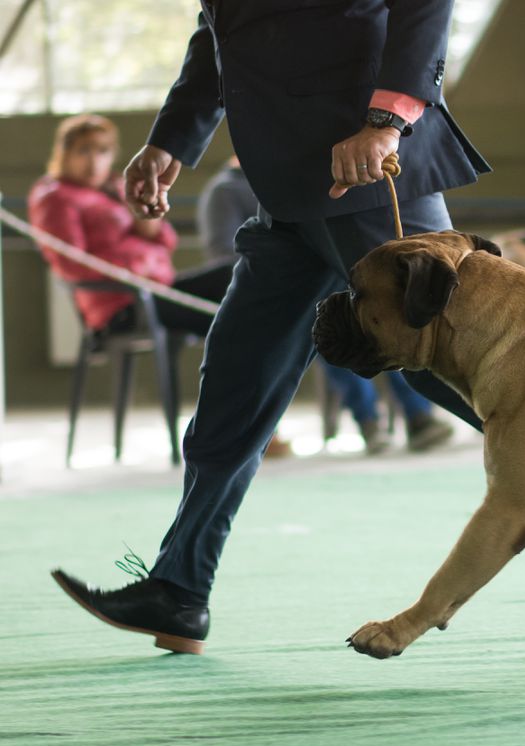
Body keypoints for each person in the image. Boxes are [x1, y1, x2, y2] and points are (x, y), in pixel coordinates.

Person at [51, 1, 490, 655]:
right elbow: (221, 33)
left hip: (366, 172)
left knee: (456, 367)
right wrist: (171, 139)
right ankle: (178, 589)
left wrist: (387, 118)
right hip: (285, 193)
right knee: (236, 380)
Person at [198, 156, 453, 455]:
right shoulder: (224, 191)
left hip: (338, 278)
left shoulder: (310, 175)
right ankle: (368, 421)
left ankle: (418, 415)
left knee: (383, 321)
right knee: (326, 333)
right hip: (283, 286)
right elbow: (223, 253)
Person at [29, 113, 232, 340]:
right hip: (120, 304)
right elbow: (71, 264)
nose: (94, 161)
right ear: (64, 153)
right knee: (228, 318)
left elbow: (166, 241)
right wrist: (140, 264)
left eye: (103, 151)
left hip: (158, 289)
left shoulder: (115, 187)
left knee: (233, 273)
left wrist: (147, 214)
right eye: (84, 151)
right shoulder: (55, 197)